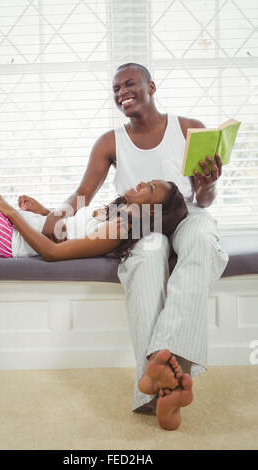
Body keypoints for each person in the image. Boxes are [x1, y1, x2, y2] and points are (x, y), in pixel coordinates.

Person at [36, 63, 229, 431]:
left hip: (186, 217)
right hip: (142, 227)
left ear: (151, 86)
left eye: (129, 84)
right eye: (115, 87)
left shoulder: (190, 129)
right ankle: (163, 387)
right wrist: (48, 220)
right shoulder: (110, 141)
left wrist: (208, 183)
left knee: (202, 239)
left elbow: (203, 202)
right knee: (152, 250)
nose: (121, 91)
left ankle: (159, 371)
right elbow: (81, 198)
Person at [0, 165, 187, 264]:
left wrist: (8, 210)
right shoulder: (115, 214)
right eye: (148, 181)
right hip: (11, 228)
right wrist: (42, 212)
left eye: (151, 188)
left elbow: (53, 252)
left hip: (6, 239)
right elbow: (72, 231)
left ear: (152, 211)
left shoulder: (120, 228)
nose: (142, 183)